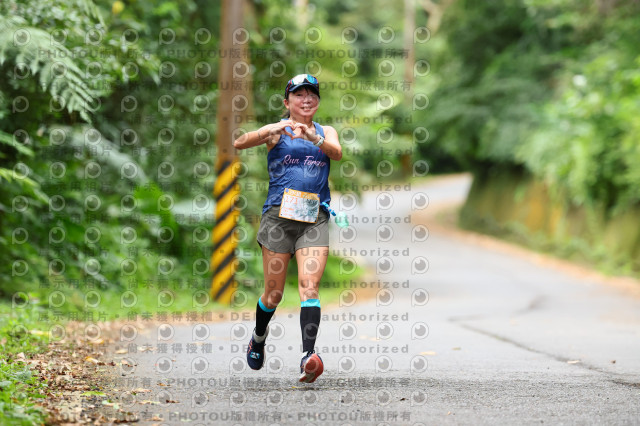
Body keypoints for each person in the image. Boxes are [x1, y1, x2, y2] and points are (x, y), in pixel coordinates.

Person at [233, 74, 342, 383]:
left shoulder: (326, 132)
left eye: (312, 95)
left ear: (318, 101)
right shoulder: (277, 132)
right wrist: (271, 130)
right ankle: (258, 337)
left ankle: (308, 356)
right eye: (299, 95)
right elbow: (240, 142)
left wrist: (314, 138)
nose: (306, 99)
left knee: (309, 286)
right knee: (274, 294)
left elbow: (336, 152)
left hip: (314, 217)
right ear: (287, 102)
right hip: (278, 219)